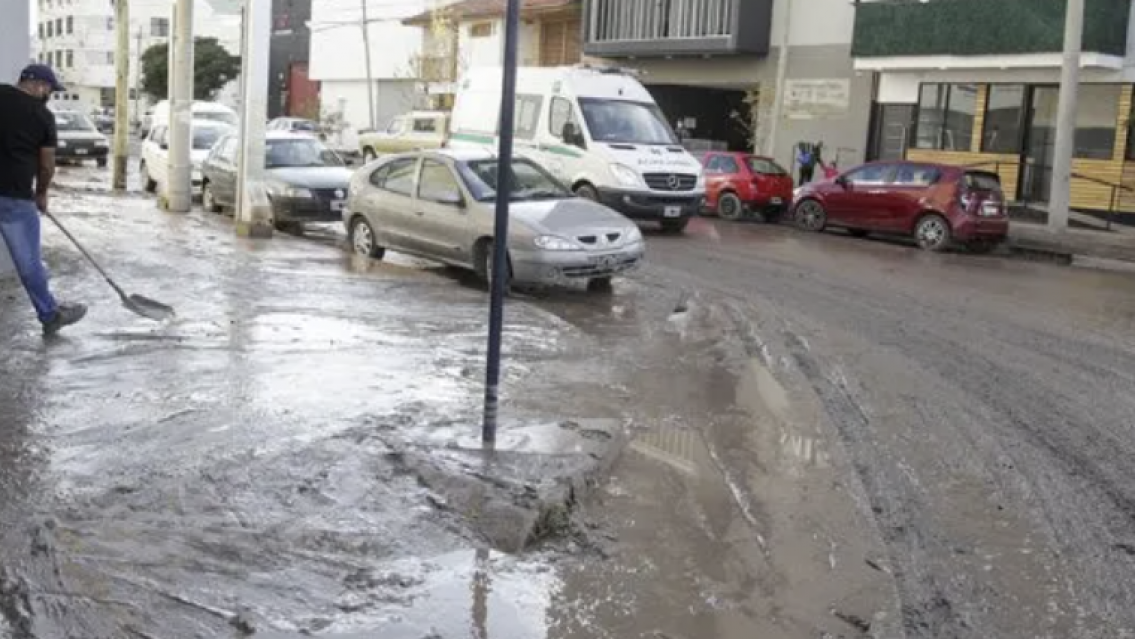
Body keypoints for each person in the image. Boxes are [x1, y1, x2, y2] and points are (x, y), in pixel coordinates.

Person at [0, 64, 86, 335]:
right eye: (49, 88)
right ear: (37, 84)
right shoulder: (43, 116)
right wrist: (41, 194)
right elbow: (47, 166)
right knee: (29, 262)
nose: (49, 94)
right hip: (15, 197)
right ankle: (49, 315)